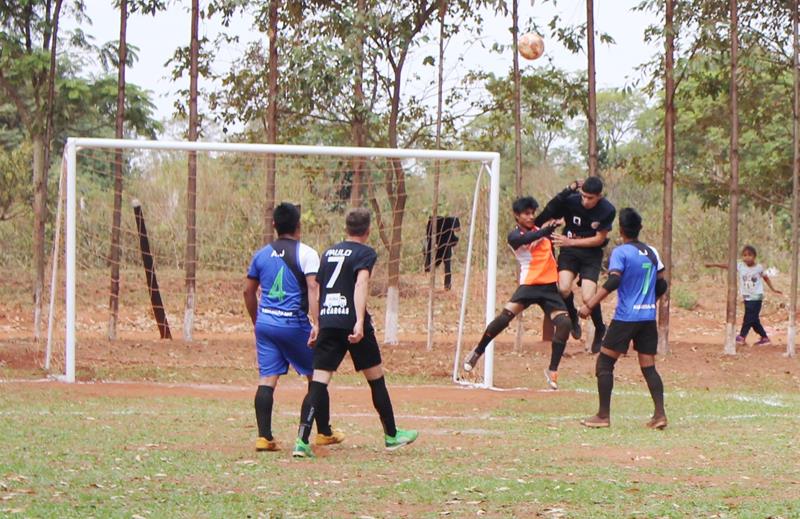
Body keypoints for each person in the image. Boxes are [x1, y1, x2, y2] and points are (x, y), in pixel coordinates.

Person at [292, 208, 418, 458]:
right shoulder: (366, 253)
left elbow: (316, 287)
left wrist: (317, 323)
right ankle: (391, 435)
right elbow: (361, 284)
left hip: (328, 320)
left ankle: (301, 441)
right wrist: (359, 321)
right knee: (376, 379)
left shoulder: (328, 253)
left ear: (346, 229)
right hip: (351, 322)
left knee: (318, 383)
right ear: (368, 230)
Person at [244, 202, 344, 452]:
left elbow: (248, 291)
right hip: (293, 323)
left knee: (267, 378)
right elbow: (313, 287)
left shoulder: (261, 254)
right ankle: (323, 432)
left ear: (274, 225)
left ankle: (264, 437)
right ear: (299, 226)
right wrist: (317, 323)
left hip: (266, 324)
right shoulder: (307, 253)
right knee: (317, 375)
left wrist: (257, 321)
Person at [462, 196, 572, 391]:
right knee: (504, 319)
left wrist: (568, 196)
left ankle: (552, 370)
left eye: (532, 213)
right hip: (529, 286)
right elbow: (526, 239)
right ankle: (478, 351)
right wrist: (547, 229)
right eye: (526, 214)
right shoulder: (515, 236)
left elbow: (553, 208)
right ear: (517, 216)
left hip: (548, 287)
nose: (531, 217)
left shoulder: (542, 231)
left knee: (564, 324)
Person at [577, 207, 668, 429]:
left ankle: (603, 416)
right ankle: (660, 415)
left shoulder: (620, 252)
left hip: (626, 317)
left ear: (620, 229)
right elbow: (662, 283)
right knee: (649, 367)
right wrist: (648, 300)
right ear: (640, 228)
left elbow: (614, 281)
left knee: (605, 363)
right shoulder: (652, 252)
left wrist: (590, 304)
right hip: (648, 317)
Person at [535, 177, 616, 354]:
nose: (585, 201)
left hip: (591, 254)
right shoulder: (571, 200)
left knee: (588, 298)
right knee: (563, 288)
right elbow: (548, 211)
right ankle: (572, 317)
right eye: (583, 196)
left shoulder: (607, 210)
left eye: (590, 198)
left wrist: (571, 242)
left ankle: (600, 328)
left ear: (599, 196)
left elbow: (599, 239)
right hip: (569, 252)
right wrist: (568, 188)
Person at [705, 245, 782, 345]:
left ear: (754, 256)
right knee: (753, 319)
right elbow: (727, 265)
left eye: (750, 255)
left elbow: (766, 278)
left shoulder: (759, 268)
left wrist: (773, 289)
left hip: (756, 296)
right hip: (747, 297)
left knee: (748, 317)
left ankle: (742, 336)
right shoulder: (740, 266)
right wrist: (713, 265)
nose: (747, 257)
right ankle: (764, 338)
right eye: (745, 255)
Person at [425, 216, 461, 290]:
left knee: (445, 265)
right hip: (438, 245)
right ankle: (445, 285)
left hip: (441, 245)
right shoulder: (441, 223)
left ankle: (447, 285)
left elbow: (454, 236)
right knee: (445, 265)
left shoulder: (448, 224)